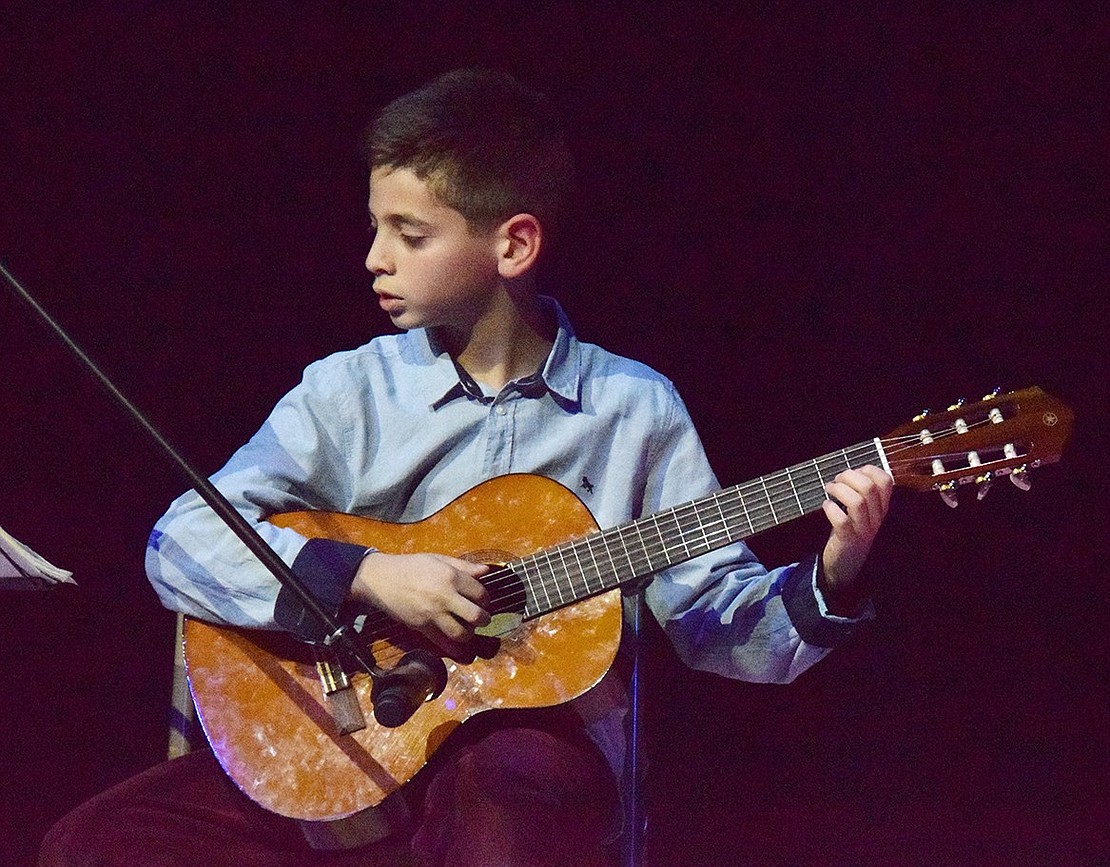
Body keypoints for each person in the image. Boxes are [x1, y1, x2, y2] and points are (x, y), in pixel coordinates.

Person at [39, 68, 892, 867]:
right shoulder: (349, 391)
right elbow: (180, 541)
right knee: (96, 839)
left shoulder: (636, 409)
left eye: (409, 233)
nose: (375, 255)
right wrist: (369, 575)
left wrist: (833, 574)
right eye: (376, 225)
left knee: (502, 807)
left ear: (513, 244)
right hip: (343, 739)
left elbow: (712, 624)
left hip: (527, 753)